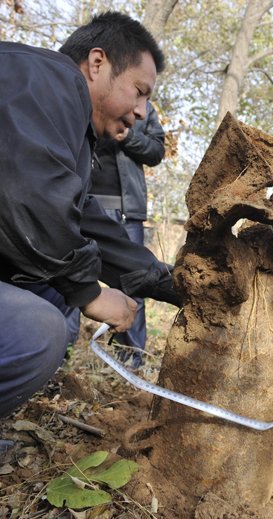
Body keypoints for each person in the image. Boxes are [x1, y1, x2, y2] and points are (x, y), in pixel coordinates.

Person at [0, 12, 180, 478]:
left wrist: (173, 285)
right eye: (140, 91)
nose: (143, 112)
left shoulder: (63, 126)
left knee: (50, 299)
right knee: (33, 334)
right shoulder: (42, 76)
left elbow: (82, 220)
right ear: (97, 63)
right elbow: (29, 197)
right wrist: (89, 291)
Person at [76, 99, 165, 367]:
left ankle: (132, 360)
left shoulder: (145, 110)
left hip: (127, 209)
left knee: (136, 279)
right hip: (80, 205)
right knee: (69, 269)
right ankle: (64, 350)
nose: (137, 107)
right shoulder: (87, 97)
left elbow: (156, 151)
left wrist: (128, 136)